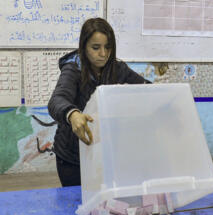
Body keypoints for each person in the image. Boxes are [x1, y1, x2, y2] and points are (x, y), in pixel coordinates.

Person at [48, 18, 151, 186]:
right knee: (76, 203)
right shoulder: (73, 69)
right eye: (95, 48)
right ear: (84, 47)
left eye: (108, 47)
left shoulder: (118, 69)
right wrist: (73, 115)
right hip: (73, 157)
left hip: (105, 154)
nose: (103, 54)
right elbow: (57, 99)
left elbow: (147, 90)